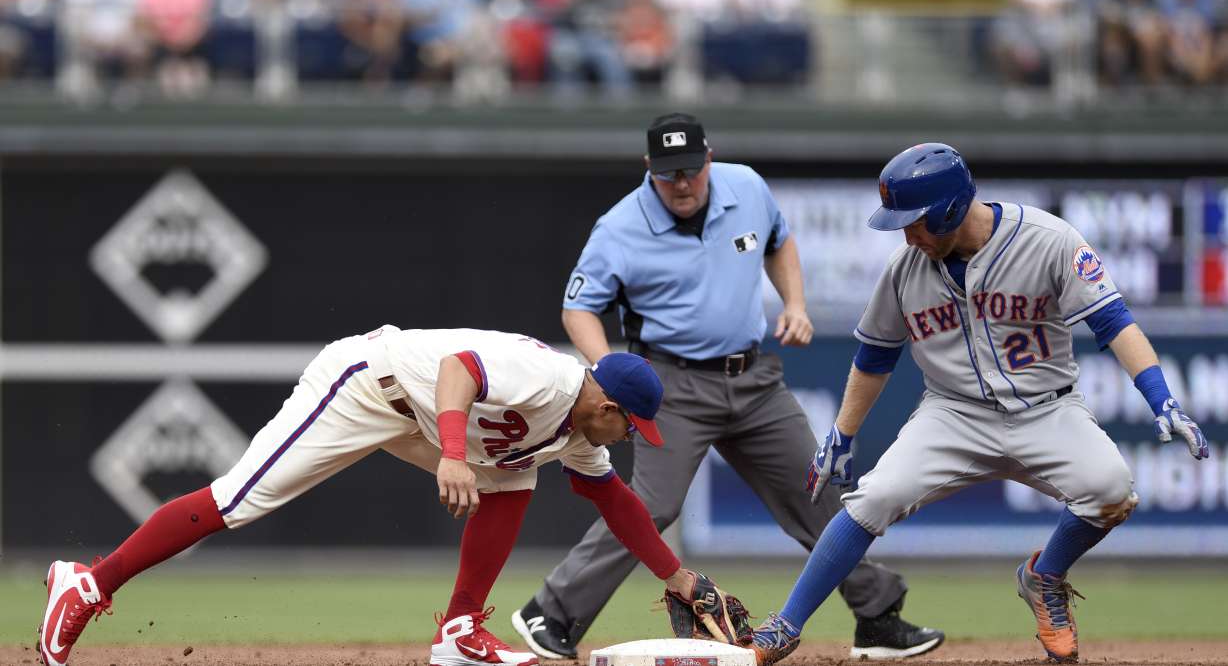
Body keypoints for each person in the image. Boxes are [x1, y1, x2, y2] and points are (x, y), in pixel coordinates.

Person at [747, 143, 1211, 666]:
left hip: (1047, 410)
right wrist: (842, 434)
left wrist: (1161, 397)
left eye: (915, 222)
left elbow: (1113, 323)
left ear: (948, 208)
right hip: (953, 415)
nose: (907, 235)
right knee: (871, 500)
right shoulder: (905, 269)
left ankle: (1045, 577)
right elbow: (874, 357)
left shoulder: (1048, 240)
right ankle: (783, 627)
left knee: (1112, 489)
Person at [510, 113, 944, 662]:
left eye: (691, 169)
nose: (683, 183)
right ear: (650, 170)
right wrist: (608, 374)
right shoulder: (619, 226)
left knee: (818, 493)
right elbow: (579, 308)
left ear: (709, 158)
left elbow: (779, 244)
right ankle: (551, 612)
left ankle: (877, 616)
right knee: (652, 505)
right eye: (669, 174)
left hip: (754, 378)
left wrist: (794, 304)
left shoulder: (746, 187)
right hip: (672, 383)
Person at [37, 325, 731, 666]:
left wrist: (680, 577)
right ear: (605, 401)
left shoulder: (578, 431)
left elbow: (617, 503)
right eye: (626, 423)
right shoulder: (550, 380)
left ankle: (459, 632)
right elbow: (461, 372)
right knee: (240, 498)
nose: (626, 436)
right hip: (367, 385)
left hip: (422, 414)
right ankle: (88, 586)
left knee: (512, 475)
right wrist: (454, 455)